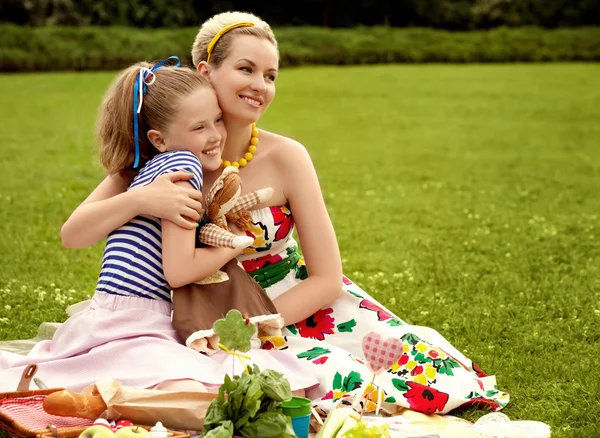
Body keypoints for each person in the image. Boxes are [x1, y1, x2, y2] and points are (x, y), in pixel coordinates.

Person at [34, 12, 509, 414]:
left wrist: (252, 330)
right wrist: (141, 199)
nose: (260, 85)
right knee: (277, 391)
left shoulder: (287, 157)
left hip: (292, 303)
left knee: (404, 374)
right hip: (201, 313)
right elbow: (75, 232)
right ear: (204, 72)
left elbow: (327, 277)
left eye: (271, 75)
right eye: (246, 69)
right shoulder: (162, 155)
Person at [0, 58, 318, 395]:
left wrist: (139, 198)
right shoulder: (183, 168)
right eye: (199, 127)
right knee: (221, 387)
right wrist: (234, 242)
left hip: (108, 312)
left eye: (217, 120)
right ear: (159, 138)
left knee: (223, 378)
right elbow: (178, 271)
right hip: (135, 322)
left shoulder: (147, 164)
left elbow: (71, 236)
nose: (215, 135)